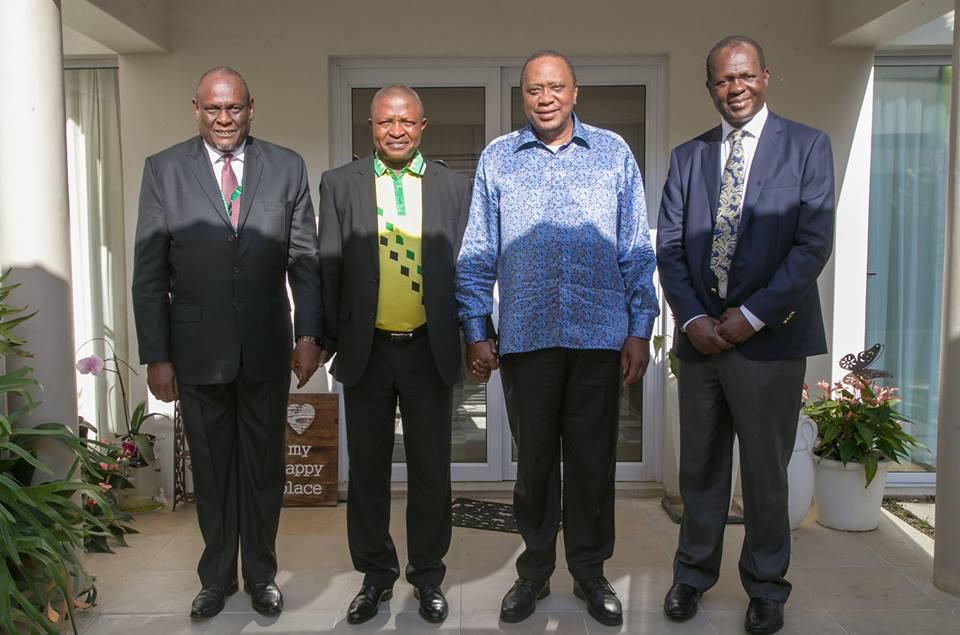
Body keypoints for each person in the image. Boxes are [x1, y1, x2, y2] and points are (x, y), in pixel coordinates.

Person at [455, 50, 658, 627]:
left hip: (599, 336)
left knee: (593, 464)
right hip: (528, 337)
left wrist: (640, 329)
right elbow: (476, 253)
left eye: (555, 87)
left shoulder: (613, 153)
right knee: (536, 465)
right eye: (534, 89)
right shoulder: (499, 159)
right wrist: (476, 327)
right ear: (523, 97)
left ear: (575, 92)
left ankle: (591, 574)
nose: (545, 98)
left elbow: (636, 251)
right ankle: (536, 572)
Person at [657, 36, 835, 635]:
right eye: (722, 81)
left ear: (765, 76)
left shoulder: (807, 147)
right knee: (701, 470)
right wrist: (692, 319)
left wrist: (752, 315)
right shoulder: (688, 158)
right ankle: (692, 577)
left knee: (764, 473)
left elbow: (812, 245)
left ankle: (765, 586)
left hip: (771, 341)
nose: (735, 89)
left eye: (744, 77)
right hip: (701, 340)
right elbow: (670, 248)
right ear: (709, 88)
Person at [131, 66, 323, 619]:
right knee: (212, 474)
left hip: (266, 347)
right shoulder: (164, 170)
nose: (223, 119)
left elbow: (304, 260)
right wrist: (157, 355)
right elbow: (149, 273)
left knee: (264, 470)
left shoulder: (285, 167)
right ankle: (215, 578)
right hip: (195, 352)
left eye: (233, 108)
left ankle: (262, 575)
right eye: (212, 109)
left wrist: (309, 334)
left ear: (251, 108)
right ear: (196, 109)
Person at [317, 85, 472, 625]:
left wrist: (478, 333)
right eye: (386, 122)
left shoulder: (453, 187)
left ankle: (428, 577)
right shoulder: (340, 184)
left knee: (432, 472)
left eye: (406, 121)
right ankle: (375, 576)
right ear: (371, 126)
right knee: (367, 474)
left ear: (423, 126)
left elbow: (469, 269)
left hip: (430, 348)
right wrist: (316, 337)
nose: (397, 130)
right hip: (368, 351)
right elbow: (328, 266)